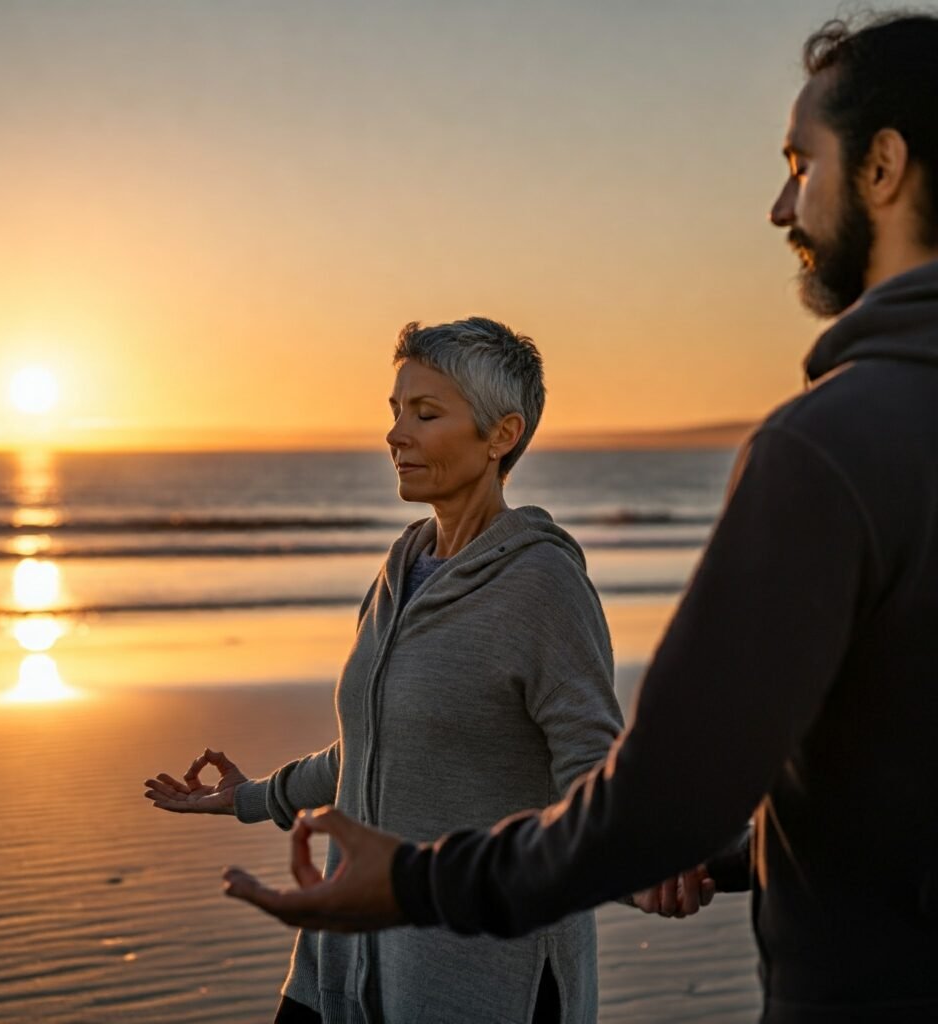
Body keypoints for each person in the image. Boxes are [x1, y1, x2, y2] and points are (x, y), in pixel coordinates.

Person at [225, 13, 938, 1022]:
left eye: (800, 162)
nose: (782, 204)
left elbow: (650, 793)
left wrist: (421, 882)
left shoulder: (823, 452)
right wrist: (254, 794)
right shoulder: (398, 568)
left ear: (883, 168)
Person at [147, 317, 678, 1023]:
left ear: (501, 436)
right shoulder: (402, 567)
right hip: (341, 965)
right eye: (395, 412)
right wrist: (249, 797)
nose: (396, 434)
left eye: (425, 414)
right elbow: (374, 745)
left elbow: (593, 770)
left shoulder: (544, 585)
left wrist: (640, 871)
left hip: (481, 981)